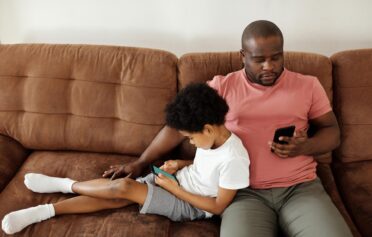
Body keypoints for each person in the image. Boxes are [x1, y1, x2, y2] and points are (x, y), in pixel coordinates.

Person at [102, 20, 353, 237]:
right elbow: (177, 127)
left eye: (276, 57)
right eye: (259, 59)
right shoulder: (223, 86)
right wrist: (140, 162)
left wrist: (306, 146)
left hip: (300, 188)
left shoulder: (308, 86)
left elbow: (332, 132)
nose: (269, 66)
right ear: (243, 55)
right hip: (243, 194)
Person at [1, 83, 250, 235]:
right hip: (176, 181)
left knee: (123, 187)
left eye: (190, 138)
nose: (190, 143)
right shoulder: (211, 137)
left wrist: (175, 189)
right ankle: (49, 206)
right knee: (118, 196)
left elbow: (218, 206)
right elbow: (207, 166)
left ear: (207, 128)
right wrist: (182, 164)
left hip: (191, 205)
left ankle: (64, 187)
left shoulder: (235, 158)